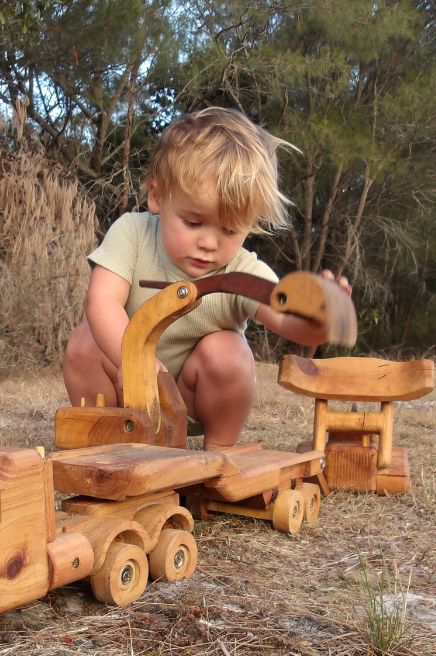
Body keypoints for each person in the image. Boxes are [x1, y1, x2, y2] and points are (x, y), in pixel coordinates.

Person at [63, 107, 351, 450]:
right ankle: (103, 443)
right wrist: (133, 363)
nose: (210, 243)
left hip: (191, 395)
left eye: (230, 230)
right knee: (84, 344)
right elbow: (101, 300)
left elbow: (287, 320)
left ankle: (219, 454)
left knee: (230, 353)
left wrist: (325, 316)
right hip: (126, 386)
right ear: (157, 196)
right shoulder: (132, 233)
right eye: (193, 223)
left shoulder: (242, 271)